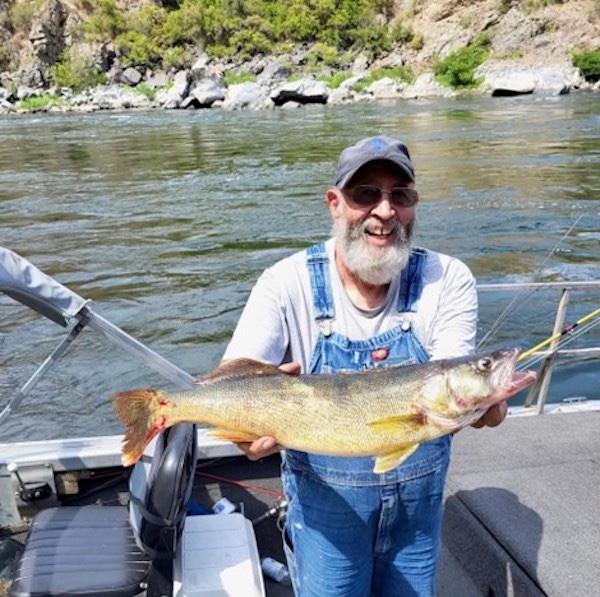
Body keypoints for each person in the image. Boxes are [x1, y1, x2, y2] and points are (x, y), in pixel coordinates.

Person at [222, 136, 507, 596]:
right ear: (334, 204)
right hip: (324, 517)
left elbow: (457, 385)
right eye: (365, 194)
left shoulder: (449, 278)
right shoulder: (283, 282)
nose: (384, 211)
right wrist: (243, 435)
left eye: (401, 195)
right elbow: (234, 380)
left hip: (418, 515)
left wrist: (486, 405)